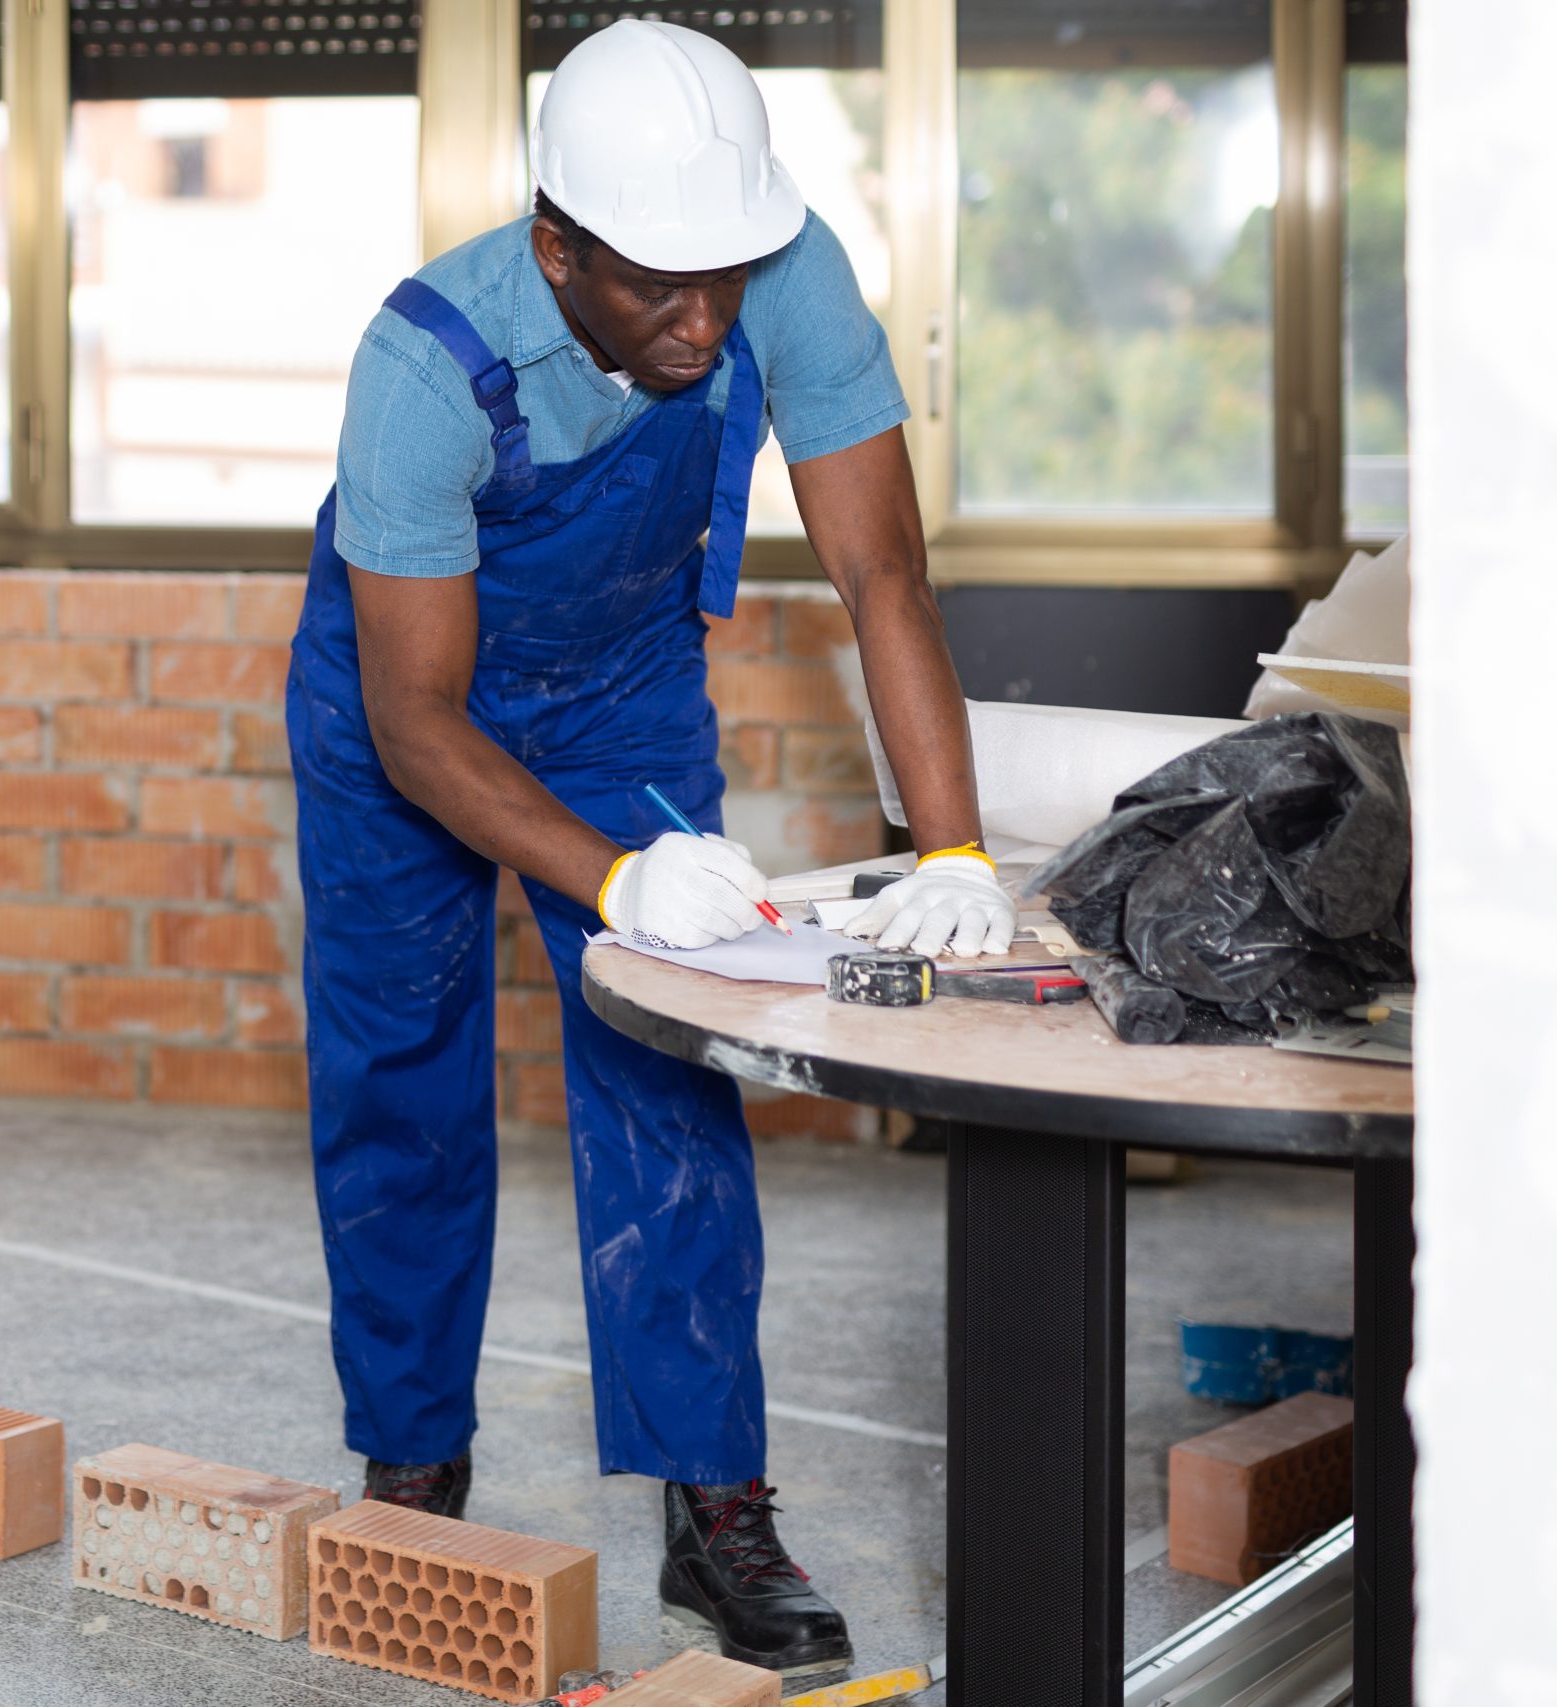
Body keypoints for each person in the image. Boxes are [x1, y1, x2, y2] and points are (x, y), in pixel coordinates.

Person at [283, 19, 1012, 1676]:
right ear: (559, 249)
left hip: (619, 695)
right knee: (397, 1075)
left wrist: (954, 852)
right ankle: (413, 1466)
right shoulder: (427, 366)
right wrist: (612, 876)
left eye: (725, 278)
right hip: (404, 705)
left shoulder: (782, 272)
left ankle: (715, 1508)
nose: (707, 322)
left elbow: (883, 577)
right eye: (660, 289)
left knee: (670, 1070)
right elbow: (420, 722)